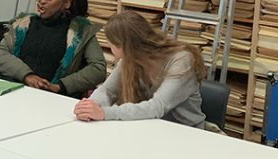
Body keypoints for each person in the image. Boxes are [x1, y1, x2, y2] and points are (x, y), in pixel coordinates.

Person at [73, 11, 207, 128]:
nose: (110, 47)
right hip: (150, 129)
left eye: (111, 44)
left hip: (186, 133)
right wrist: (90, 105)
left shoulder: (182, 59)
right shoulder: (131, 58)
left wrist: (104, 113)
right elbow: (107, 90)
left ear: (124, 46)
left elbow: (157, 107)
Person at [0, 0, 106, 97]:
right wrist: (27, 76)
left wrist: (61, 86)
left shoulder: (81, 32)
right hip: (16, 90)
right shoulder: (24, 24)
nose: (42, 1)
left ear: (67, 2)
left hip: (55, 97)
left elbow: (98, 68)